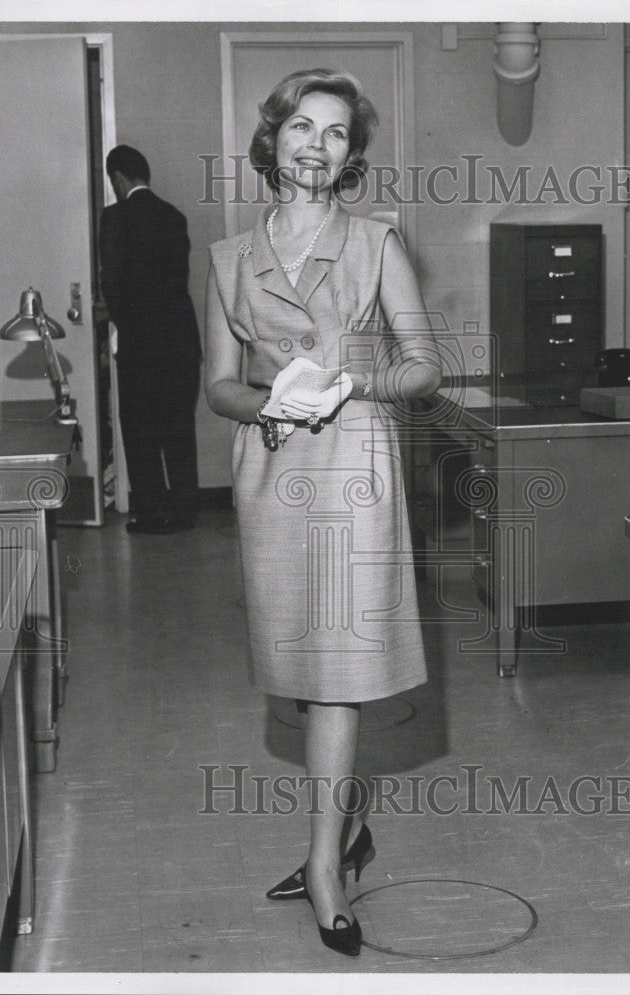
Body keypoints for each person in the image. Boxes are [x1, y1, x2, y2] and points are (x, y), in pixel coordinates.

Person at [205, 69, 441, 957]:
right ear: (274, 141)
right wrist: (266, 403)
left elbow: (424, 366)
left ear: (350, 156)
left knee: (339, 673)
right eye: (302, 126)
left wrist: (355, 386)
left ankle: (322, 868)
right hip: (271, 469)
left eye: (336, 133)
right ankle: (345, 832)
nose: (316, 144)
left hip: (354, 468)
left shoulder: (376, 243)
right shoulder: (227, 257)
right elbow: (219, 387)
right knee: (301, 675)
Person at [99, 145, 202, 534]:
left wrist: (124, 326)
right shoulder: (174, 217)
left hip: (142, 343)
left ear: (118, 179)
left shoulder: (114, 217)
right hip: (180, 340)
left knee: (140, 430)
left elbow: (113, 283)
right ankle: (185, 512)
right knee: (178, 427)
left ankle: (152, 513)